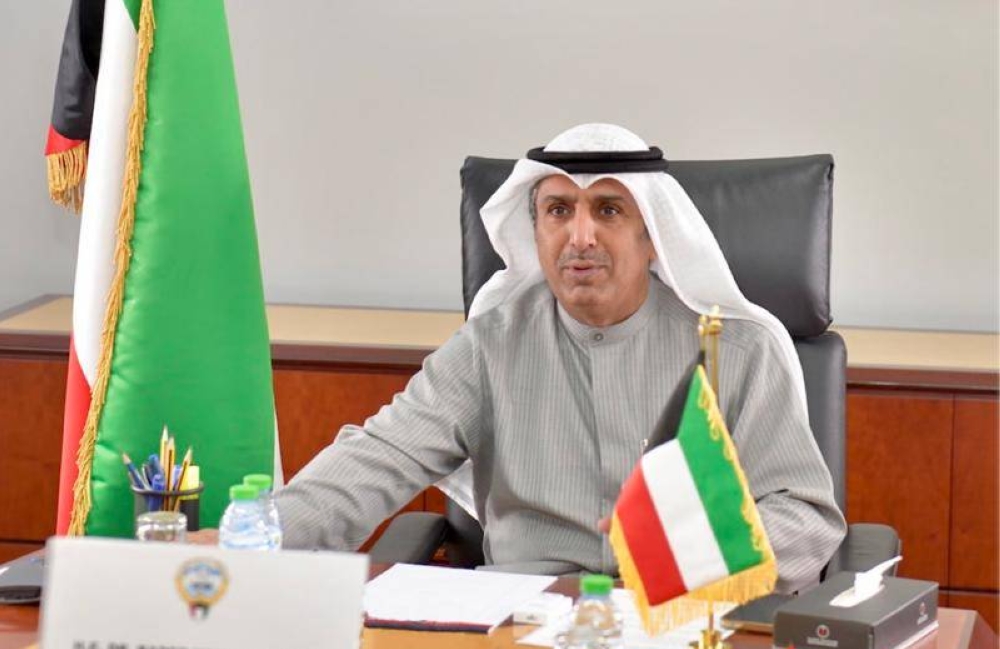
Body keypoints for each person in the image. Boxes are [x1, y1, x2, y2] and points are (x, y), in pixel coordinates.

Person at [192, 123, 845, 593]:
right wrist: (250, 536)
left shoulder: (737, 349)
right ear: (535, 231)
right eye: (558, 210)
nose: (580, 235)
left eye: (608, 210)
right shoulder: (491, 346)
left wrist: (692, 546)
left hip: (684, 621)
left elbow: (806, 517)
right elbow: (377, 458)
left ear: (653, 237)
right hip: (523, 620)